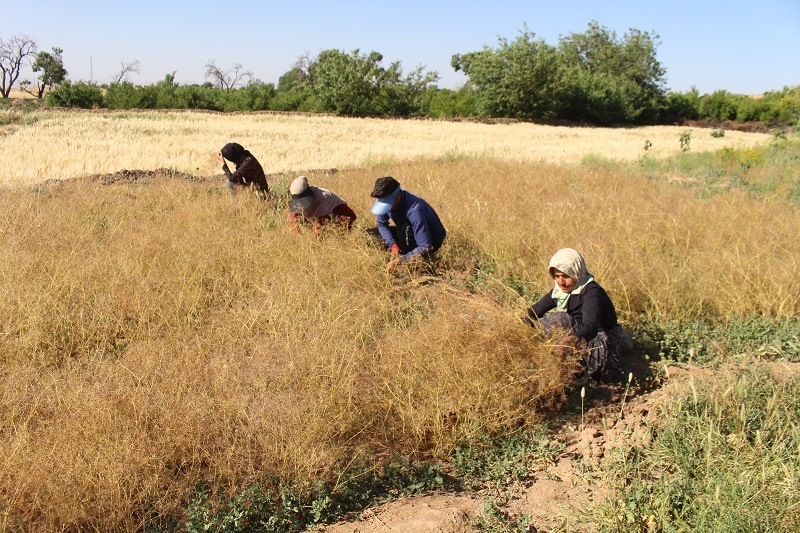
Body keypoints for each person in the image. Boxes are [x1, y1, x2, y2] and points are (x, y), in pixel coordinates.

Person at [524, 248, 621, 378]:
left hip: (603, 349)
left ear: (576, 273)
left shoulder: (592, 292)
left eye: (566, 276)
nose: (561, 282)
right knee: (538, 324)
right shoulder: (560, 291)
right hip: (581, 343)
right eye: (557, 276)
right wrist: (518, 325)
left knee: (560, 320)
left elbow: (591, 328)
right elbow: (534, 312)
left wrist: (568, 342)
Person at [369, 176, 446, 272]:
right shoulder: (388, 198)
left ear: (397, 196)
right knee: (370, 234)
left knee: (405, 231)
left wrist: (399, 261)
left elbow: (425, 246)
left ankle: (411, 259)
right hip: (407, 230)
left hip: (430, 238)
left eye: (388, 204)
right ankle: (406, 253)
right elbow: (381, 224)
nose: (386, 208)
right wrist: (393, 245)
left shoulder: (414, 209)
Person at [288, 175, 357, 233]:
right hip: (326, 222)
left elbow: (319, 228)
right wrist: (298, 237)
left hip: (345, 222)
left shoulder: (323, 198)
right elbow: (292, 220)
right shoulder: (300, 194)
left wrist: (310, 247)